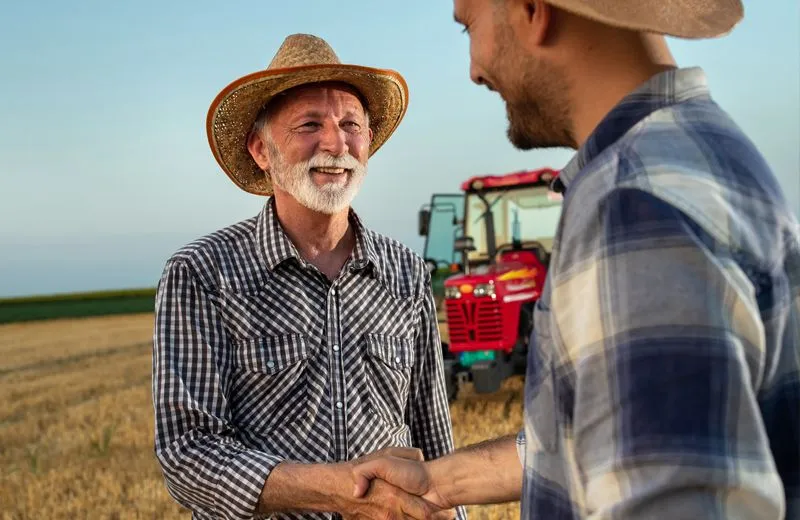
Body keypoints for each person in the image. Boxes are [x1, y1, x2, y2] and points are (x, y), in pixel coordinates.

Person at [352, 0, 800, 518]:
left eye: (468, 27)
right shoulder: (707, 150)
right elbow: (607, 437)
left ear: (532, 11)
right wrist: (434, 482)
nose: (474, 68)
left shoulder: (631, 207)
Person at [152, 33, 465, 520]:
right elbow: (188, 456)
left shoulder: (406, 273)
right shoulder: (203, 273)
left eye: (350, 124)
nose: (336, 142)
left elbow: (432, 441)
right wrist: (340, 490)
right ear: (261, 150)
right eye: (309, 124)